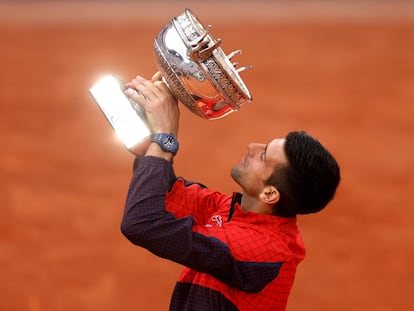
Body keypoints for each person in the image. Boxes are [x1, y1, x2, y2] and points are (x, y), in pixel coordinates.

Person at [120, 73, 341, 311]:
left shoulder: (262, 249)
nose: (252, 147)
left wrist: (165, 139)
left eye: (264, 155)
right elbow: (164, 194)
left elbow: (142, 222)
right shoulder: (231, 210)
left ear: (269, 195)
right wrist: (150, 132)